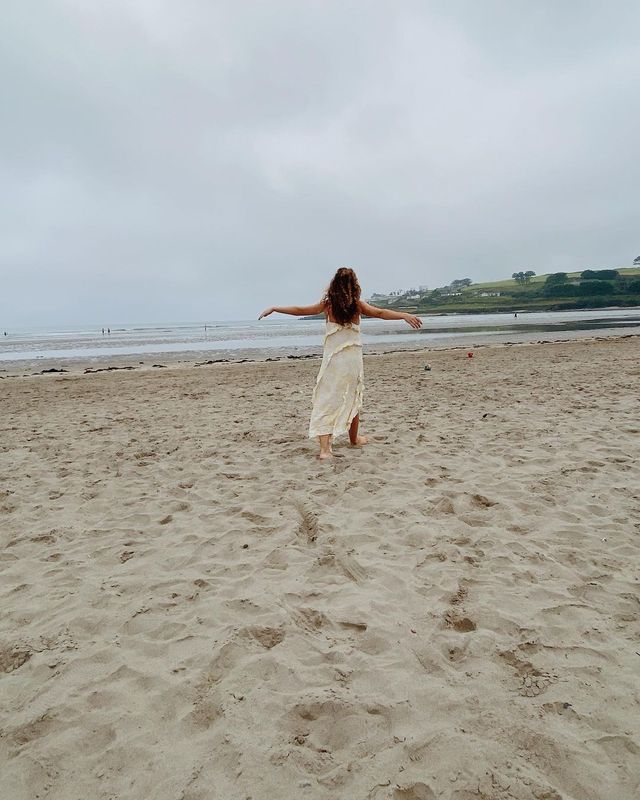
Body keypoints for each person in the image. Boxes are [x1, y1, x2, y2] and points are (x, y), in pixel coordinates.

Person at [259, 267, 422, 459]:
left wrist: (275, 308)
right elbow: (380, 312)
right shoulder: (358, 305)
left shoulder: (328, 305)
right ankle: (354, 439)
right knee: (353, 397)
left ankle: (325, 450)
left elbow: (300, 310)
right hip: (352, 361)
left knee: (327, 400)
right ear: (355, 285)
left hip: (333, 362)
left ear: (334, 284)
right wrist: (404, 315)